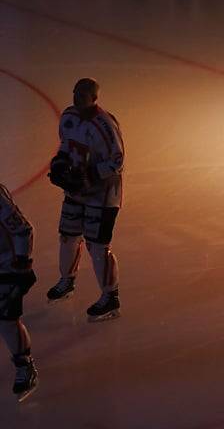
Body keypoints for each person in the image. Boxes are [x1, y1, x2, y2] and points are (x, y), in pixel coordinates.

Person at [45, 78, 125, 321]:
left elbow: (118, 161)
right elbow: (65, 146)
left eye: (83, 95)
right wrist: (60, 163)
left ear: (94, 98)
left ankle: (110, 296)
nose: (77, 98)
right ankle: (67, 280)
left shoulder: (105, 125)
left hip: (102, 196)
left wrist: (91, 174)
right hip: (76, 191)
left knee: (97, 246)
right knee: (68, 236)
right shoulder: (68, 117)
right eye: (75, 93)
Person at [0, 184, 37, 401]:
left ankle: (24, 364)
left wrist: (23, 264)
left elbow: (22, 229)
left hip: (5, 267)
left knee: (6, 319)